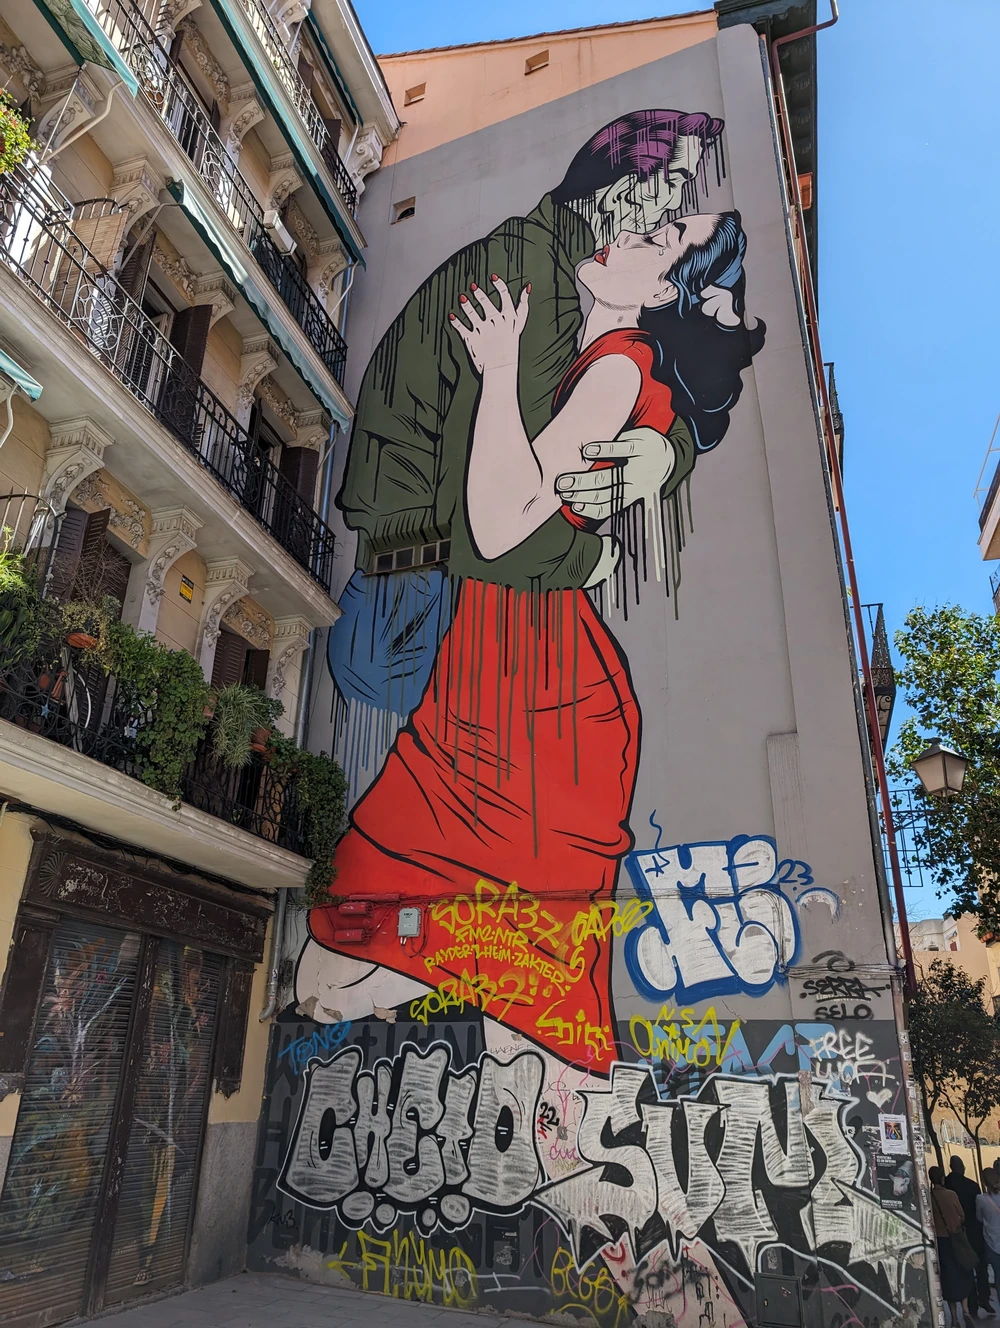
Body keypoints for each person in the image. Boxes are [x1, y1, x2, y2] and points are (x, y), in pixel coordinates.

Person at [306, 212, 764, 1070]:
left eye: (662, 234)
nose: (633, 227)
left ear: (662, 290)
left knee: (389, 971)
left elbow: (498, 524)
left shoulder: (617, 370)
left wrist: (500, 368)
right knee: (342, 966)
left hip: (543, 695)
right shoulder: (587, 357)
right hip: (498, 672)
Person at [932, 1164, 975, 1325]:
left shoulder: (929, 1197)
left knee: (948, 1278)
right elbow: (961, 1215)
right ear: (943, 1178)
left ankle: (954, 1318)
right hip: (956, 1238)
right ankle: (966, 1310)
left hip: (941, 1242)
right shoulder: (951, 1194)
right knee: (964, 1272)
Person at [949, 1157, 993, 1315]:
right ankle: (985, 1298)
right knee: (981, 1268)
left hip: (957, 1234)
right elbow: (979, 1213)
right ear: (962, 1167)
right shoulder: (973, 1186)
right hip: (975, 1232)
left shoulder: (947, 1186)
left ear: (950, 1167)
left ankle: (972, 1303)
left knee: (966, 1269)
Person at [977, 1168, 1000, 1314]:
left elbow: (979, 1218)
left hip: (992, 1243)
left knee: (998, 1276)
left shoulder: (981, 1199)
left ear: (984, 1182)